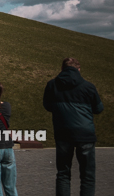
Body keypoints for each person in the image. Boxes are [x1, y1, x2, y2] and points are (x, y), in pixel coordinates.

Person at [43, 57, 104, 196]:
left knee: (63, 173)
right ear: (79, 70)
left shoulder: (52, 85)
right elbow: (99, 108)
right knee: (87, 175)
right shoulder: (88, 87)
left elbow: (47, 105)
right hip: (85, 134)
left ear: (62, 69)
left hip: (63, 133)